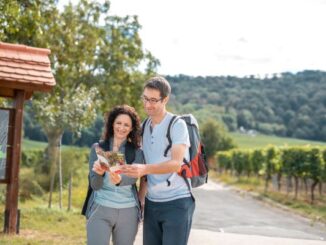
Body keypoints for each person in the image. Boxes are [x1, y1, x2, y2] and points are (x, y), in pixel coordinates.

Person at [121, 76, 195, 245]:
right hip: (152, 203)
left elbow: (176, 163)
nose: (148, 105)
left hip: (177, 202)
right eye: (145, 99)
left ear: (165, 100)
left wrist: (145, 169)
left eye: (154, 100)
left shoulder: (177, 125)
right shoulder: (145, 127)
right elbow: (144, 167)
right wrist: (140, 198)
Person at [85, 105, 144, 245]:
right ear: (112, 124)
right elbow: (95, 185)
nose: (121, 127)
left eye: (126, 125)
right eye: (118, 123)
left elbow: (133, 177)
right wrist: (98, 174)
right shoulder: (98, 148)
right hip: (100, 209)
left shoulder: (137, 152)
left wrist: (119, 179)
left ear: (131, 129)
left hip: (128, 212)